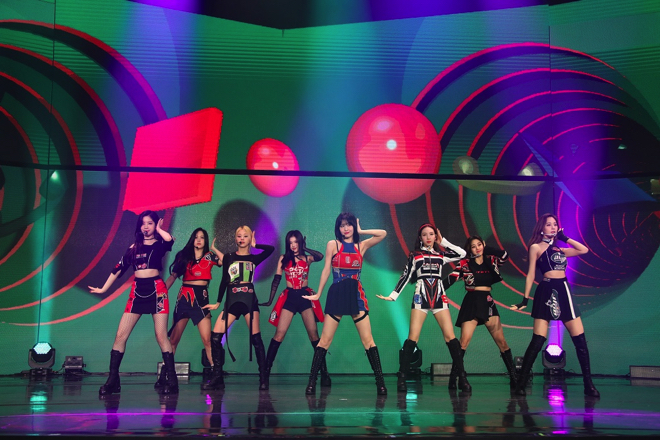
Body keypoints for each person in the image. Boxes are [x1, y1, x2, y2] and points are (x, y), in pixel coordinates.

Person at [510, 213, 599, 397]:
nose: (553, 227)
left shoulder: (560, 249)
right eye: (549, 224)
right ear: (541, 228)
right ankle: (521, 384)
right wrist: (525, 299)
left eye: (555, 224)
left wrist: (564, 238)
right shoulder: (536, 247)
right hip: (546, 290)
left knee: (580, 341)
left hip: (564, 290)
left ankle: (588, 385)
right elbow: (530, 274)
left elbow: (583, 250)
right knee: (538, 340)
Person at [89, 210, 177, 395]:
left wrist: (160, 229)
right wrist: (103, 289)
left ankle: (172, 381)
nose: (146, 227)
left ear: (155, 225)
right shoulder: (133, 247)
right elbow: (118, 269)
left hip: (157, 291)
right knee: (120, 336)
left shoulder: (160, 244)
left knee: (161, 336)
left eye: (150, 223)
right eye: (143, 223)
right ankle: (113, 381)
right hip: (137, 292)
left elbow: (170, 240)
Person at [303, 213, 387, 395]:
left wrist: (361, 231)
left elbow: (383, 233)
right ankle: (311, 383)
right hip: (337, 292)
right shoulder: (333, 244)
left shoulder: (361, 246)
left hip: (356, 293)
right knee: (324, 341)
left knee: (368, 341)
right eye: (342, 225)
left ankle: (380, 383)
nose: (346, 228)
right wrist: (318, 293)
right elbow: (326, 269)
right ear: (338, 228)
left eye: (349, 225)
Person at [377, 223, 467, 393]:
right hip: (421, 298)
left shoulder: (441, 255)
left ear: (435, 236)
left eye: (431, 234)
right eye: (425, 234)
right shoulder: (415, 256)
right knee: (413, 338)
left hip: (439, 298)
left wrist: (443, 242)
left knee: (451, 337)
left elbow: (462, 254)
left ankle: (462, 377)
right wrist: (393, 295)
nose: (428, 237)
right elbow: (405, 276)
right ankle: (402, 377)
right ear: (420, 238)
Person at [202, 226, 274, 390]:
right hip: (232, 299)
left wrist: (256, 245)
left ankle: (263, 379)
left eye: (245, 236)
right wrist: (218, 302)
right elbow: (223, 280)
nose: (242, 239)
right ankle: (217, 377)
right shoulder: (229, 257)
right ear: (235, 239)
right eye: (239, 236)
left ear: (250, 238)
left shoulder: (253, 258)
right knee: (215, 337)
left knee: (256, 339)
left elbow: (271, 250)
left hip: (248, 300)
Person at [442, 235, 517, 389]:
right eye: (473, 246)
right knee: (464, 342)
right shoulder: (465, 264)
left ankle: (514, 378)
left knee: (502, 342)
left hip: (487, 301)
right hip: (472, 301)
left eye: (479, 245)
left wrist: (486, 248)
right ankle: (454, 379)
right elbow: (450, 279)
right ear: (469, 250)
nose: (477, 248)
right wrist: (435, 291)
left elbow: (505, 255)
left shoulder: (492, 261)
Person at [259, 230, 328, 390]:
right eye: (290, 243)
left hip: (304, 296)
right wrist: (270, 299)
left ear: (300, 242)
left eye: (296, 242)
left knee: (314, 335)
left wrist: (306, 248)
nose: (293, 245)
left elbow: (320, 256)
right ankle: (265, 375)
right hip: (290, 297)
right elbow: (277, 279)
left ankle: (324, 373)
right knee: (279, 334)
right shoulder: (283, 259)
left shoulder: (307, 258)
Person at [157, 228, 223, 389]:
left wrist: (214, 249)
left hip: (202, 300)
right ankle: (165, 374)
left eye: (202, 237)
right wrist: (161, 292)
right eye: (196, 237)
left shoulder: (210, 256)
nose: (199, 240)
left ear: (205, 240)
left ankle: (217, 376)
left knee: (207, 340)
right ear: (192, 239)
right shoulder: (184, 256)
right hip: (184, 298)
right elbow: (173, 276)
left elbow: (224, 262)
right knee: (173, 340)